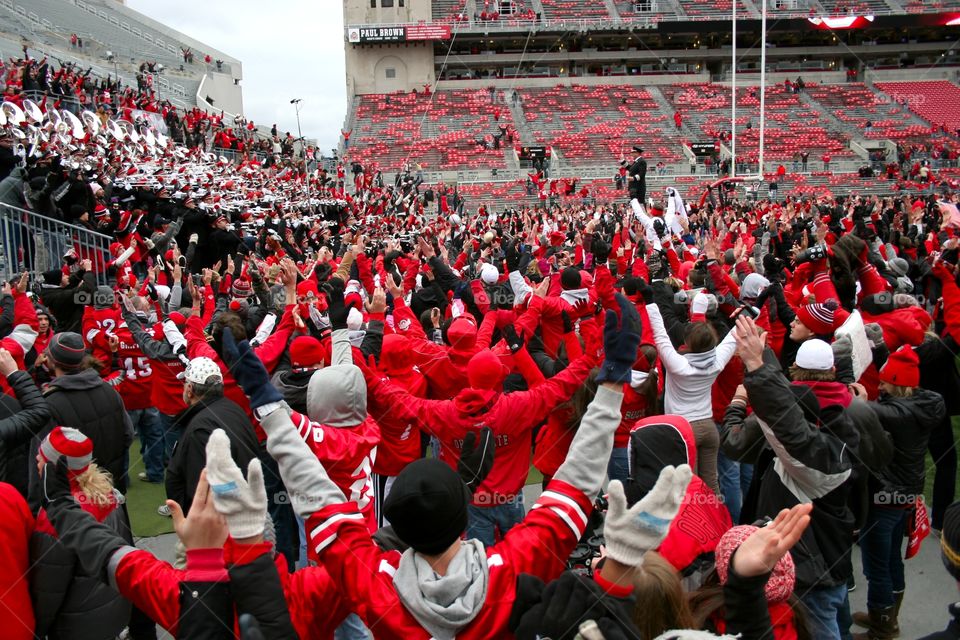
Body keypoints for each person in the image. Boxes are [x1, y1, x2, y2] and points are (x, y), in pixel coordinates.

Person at [733, 314, 856, 640]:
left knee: (822, 629)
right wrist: (762, 359)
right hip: (831, 552)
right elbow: (788, 407)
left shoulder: (824, 463)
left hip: (813, 567)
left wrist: (756, 369)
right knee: (840, 617)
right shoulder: (848, 411)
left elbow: (793, 434)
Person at [852, 346, 946, 639]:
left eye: (883, 382)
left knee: (876, 565)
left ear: (894, 384)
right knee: (891, 558)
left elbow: (855, 410)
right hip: (902, 496)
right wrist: (880, 350)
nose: (879, 386)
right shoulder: (922, 405)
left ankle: (883, 626)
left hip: (885, 497)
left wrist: (862, 400)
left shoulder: (895, 414)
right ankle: (887, 615)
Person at [30, 427, 132, 640]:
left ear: (55, 468)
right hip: (110, 609)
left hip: (76, 623)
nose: (37, 460)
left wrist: (37, 630)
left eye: (42, 458)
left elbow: (49, 589)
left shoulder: (55, 518)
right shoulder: (106, 493)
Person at [33, 332, 132, 501]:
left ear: (51, 360)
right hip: (111, 484)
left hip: (75, 496)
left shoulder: (50, 403)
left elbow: (45, 458)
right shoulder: (108, 390)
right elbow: (128, 434)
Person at [163, 356, 260, 525]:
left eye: (184, 383)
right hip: (242, 511)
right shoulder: (233, 409)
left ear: (190, 389)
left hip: (217, 527)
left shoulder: (200, 428)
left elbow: (202, 491)